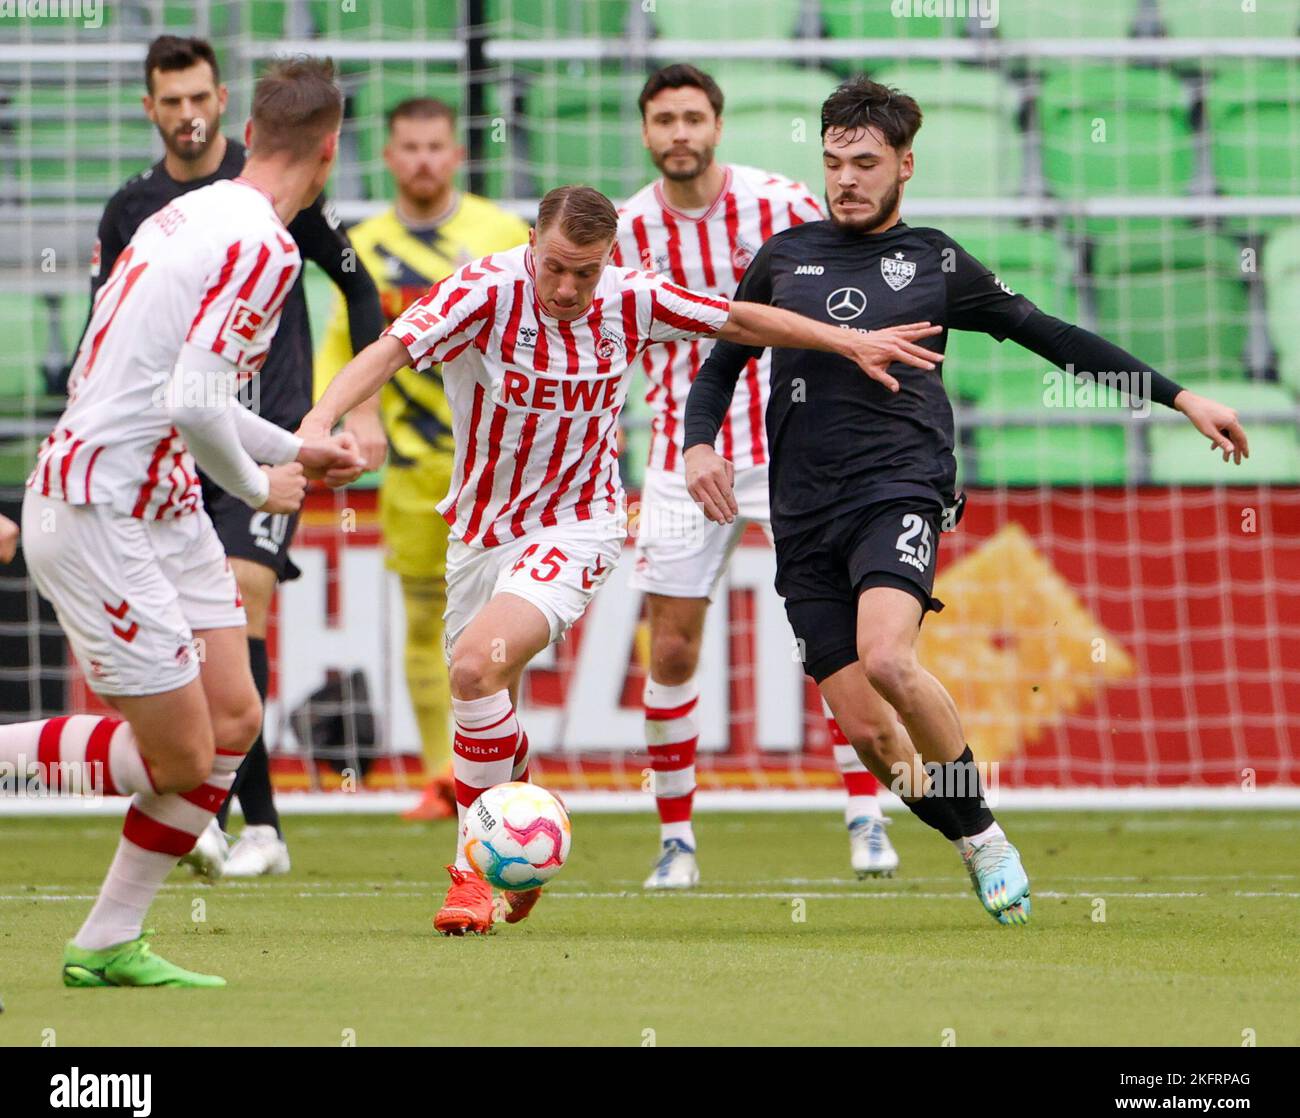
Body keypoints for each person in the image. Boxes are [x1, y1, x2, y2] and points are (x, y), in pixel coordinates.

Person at [302, 183, 943, 935]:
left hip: (579, 525)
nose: (570, 287)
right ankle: (519, 812)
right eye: (556, 268)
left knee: (476, 667)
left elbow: (738, 318)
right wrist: (321, 417)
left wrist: (847, 340)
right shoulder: (484, 290)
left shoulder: (631, 299)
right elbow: (386, 349)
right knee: (480, 689)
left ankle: (472, 878)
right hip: (479, 532)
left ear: (610, 260)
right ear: (531, 247)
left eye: (588, 271)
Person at [684, 77, 1251, 925]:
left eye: (866, 163)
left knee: (887, 657)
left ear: (904, 166)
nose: (846, 178)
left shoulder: (936, 260)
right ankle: (962, 833)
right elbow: (722, 359)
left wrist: (1178, 398)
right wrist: (697, 442)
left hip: (897, 488)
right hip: (800, 509)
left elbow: (1052, 335)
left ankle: (985, 835)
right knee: (874, 738)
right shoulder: (784, 256)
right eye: (834, 161)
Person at [0, 57, 362, 987]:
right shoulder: (266, 246)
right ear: (330, 150)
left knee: (234, 715)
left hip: (157, 499)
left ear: (248, 125)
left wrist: (293, 446)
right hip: (98, 504)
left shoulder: (191, 213)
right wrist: (262, 481)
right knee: (180, 755)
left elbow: (184, 390)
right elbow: (200, 402)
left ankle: (107, 939)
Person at [84, 36, 385, 879]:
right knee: (192, 665)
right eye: (168, 100)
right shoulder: (143, 209)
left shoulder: (276, 217)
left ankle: (258, 824)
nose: (186, 114)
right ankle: (197, 801)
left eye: (197, 98)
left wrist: (342, 414)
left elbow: (360, 282)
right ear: (151, 108)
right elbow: (129, 350)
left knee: (241, 604)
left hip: (256, 426)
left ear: (231, 112)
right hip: (169, 450)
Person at [616, 63, 897, 889]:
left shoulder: (780, 204)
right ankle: (676, 839)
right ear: (644, 132)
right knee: (670, 646)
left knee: (833, 639)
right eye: (663, 119)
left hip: (793, 448)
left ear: (717, 125)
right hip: (682, 454)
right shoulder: (628, 227)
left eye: (693, 117)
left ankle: (866, 817)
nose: (679, 133)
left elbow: (851, 293)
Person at [314, 97, 529, 822]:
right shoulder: (362, 245)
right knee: (425, 618)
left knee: (501, 624)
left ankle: (499, 768)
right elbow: (343, 343)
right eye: (409, 147)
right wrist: (351, 419)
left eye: (437, 146)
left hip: (498, 467)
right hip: (411, 468)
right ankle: (445, 776)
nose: (424, 160)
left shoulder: (499, 232)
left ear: (458, 155)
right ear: (388, 156)